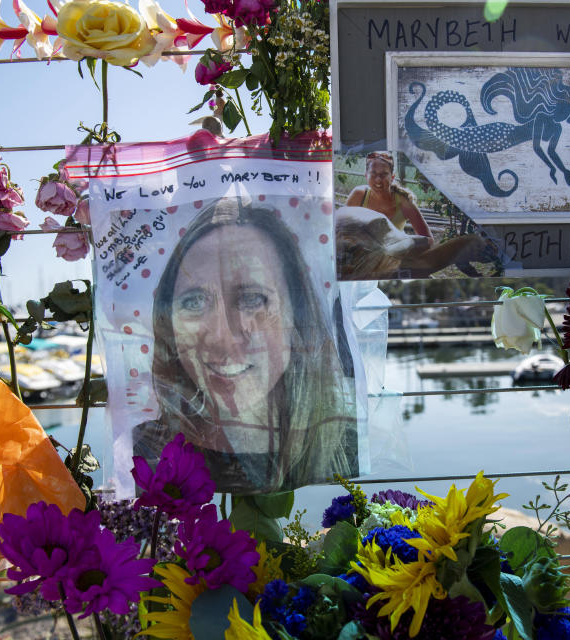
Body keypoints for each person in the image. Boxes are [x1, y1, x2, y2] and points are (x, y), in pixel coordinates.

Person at [134, 197, 358, 493]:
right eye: (194, 301)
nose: (221, 337)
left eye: (252, 299)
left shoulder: (349, 448)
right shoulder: (144, 452)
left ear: (297, 314)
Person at [339, 151, 496, 279]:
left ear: (392, 177)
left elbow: (427, 240)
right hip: (358, 258)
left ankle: (467, 250)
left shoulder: (404, 203)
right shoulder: (359, 195)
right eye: (373, 174)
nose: (378, 180)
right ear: (366, 175)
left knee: (425, 272)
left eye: (384, 174)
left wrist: (403, 245)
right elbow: (342, 230)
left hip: (395, 255)